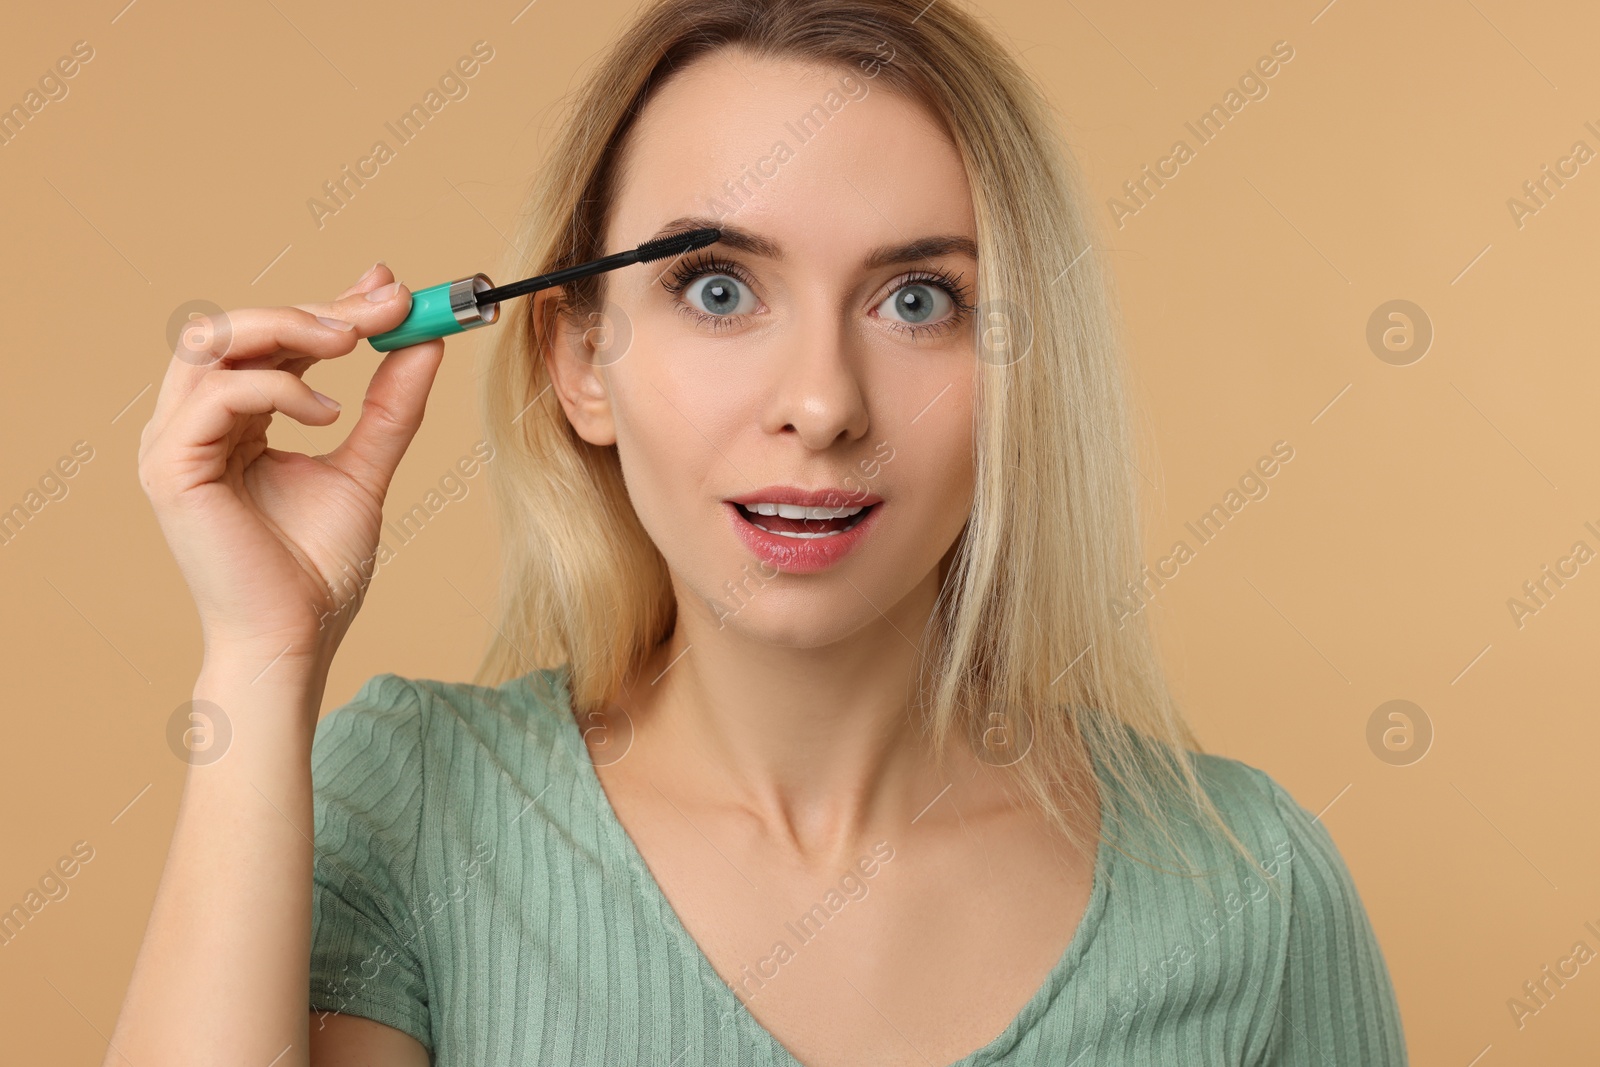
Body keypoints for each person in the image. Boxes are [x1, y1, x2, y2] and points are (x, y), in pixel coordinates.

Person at [112, 0, 1406, 1064]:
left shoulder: (1252, 890)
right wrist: (260, 653)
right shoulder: (415, 809)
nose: (823, 405)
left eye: (918, 300)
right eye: (718, 288)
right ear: (581, 364)